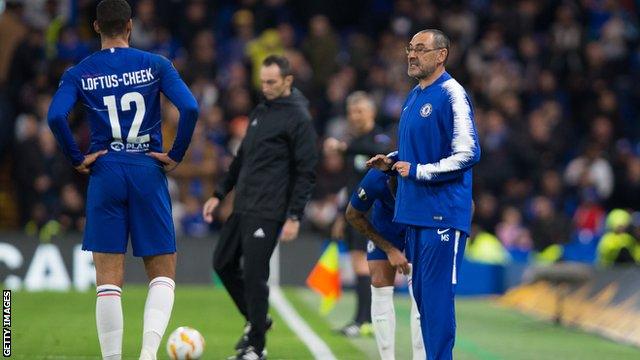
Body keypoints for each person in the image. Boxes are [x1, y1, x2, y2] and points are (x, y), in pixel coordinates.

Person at [47, 1, 199, 359]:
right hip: (147, 168)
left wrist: (76, 157)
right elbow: (190, 108)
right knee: (162, 274)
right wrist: (175, 154)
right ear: (130, 25)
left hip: (105, 172)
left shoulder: (80, 72)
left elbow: (55, 116)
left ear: (96, 26)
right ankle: (147, 355)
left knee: (108, 283)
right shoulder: (156, 64)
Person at [368, 29, 481, 360]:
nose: (411, 54)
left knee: (436, 302)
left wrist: (418, 171)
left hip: (442, 215)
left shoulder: (452, 95)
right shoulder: (415, 96)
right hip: (414, 214)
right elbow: (414, 151)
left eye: (420, 49)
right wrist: (391, 161)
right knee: (423, 301)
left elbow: (468, 152)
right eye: (410, 48)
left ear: (441, 55)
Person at [202, 55, 318, 360]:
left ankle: (257, 346)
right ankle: (258, 320)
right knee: (222, 263)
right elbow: (242, 159)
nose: (264, 87)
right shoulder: (262, 109)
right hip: (243, 204)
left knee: (254, 274)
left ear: (287, 81)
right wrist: (219, 193)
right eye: (262, 81)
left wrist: (294, 215)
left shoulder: (299, 118)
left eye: (271, 82)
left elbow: (306, 170)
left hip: (269, 208)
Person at [325, 91, 392, 336]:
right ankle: (362, 320)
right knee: (358, 265)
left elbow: (377, 150)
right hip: (355, 213)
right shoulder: (354, 144)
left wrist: (343, 147)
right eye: (352, 112)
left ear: (372, 113)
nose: (355, 116)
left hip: (374, 214)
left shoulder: (378, 139)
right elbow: (351, 183)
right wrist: (342, 216)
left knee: (369, 267)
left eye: (360, 111)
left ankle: (367, 321)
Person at [345, 168, 425, 360]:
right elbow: (352, 214)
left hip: (419, 223)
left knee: (422, 292)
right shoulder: (375, 178)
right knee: (379, 281)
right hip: (386, 225)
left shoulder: (425, 172)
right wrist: (389, 250)